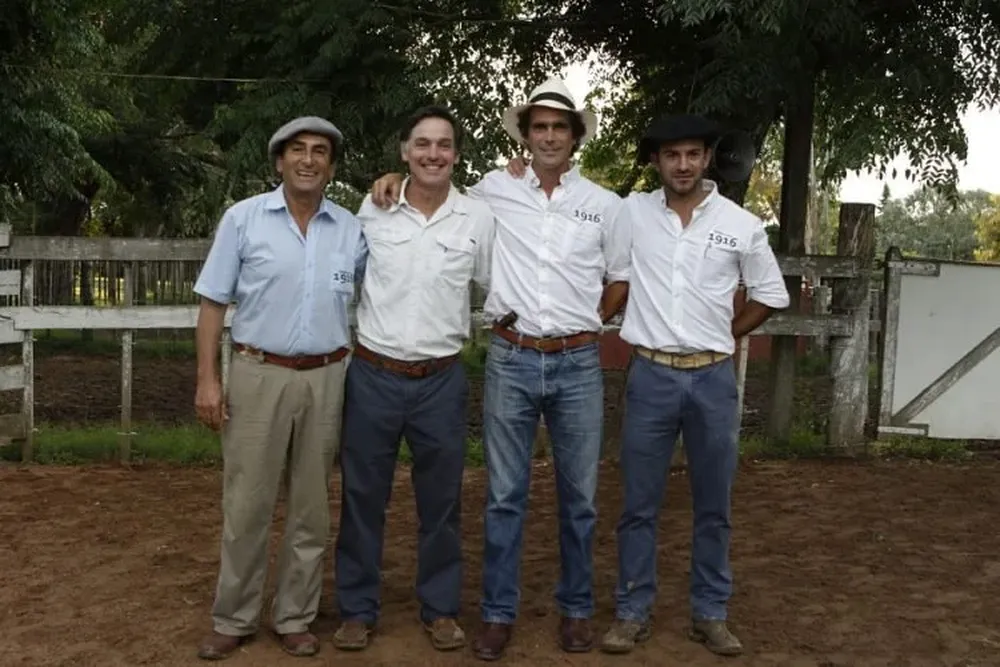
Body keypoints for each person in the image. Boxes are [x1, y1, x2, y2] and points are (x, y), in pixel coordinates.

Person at [370, 75, 631, 660]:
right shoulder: (491, 189)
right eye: (538, 126)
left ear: (576, 136)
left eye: (559, 127)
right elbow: (433, 191)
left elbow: (620, 277)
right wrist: (389, 181)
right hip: (511, 358)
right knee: (504, 494)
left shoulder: (604, 207)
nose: (548, 136)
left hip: (578, 362)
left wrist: (588, 320)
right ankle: (497, 612)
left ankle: (577, 609)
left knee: (580, 496)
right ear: (525, 134)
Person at [597, 114, 790, 657]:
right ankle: (632, 611)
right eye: (671, 155)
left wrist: (725, 334)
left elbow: (771, 295)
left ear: (707, 159)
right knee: (638, 502)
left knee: (714, 503)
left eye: (692, 154)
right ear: (657, 161)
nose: (682, 165)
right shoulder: (631, 213)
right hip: (651, 375)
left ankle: (710, 611)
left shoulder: (741, 224)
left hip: (712, 380)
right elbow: (569, 204)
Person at [193, 116, 367, 661]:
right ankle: (234, 616)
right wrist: (207, 379)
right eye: (298, 150)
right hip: (257, 372)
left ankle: (295, 615)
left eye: (320, 151)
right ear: (279, 161)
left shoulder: (352, 229)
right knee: (246, 503)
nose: (309, 159)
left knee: (312, 507)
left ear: (332, 166)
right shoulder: (244, 220)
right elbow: (212, 304)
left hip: (327, 375)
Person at [331, 105, 494, 653]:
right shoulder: (372, 210)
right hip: (374, 375)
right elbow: (345, 280)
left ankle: (441, 608)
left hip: (441, 380)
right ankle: (356, 609)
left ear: (456, 154)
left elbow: (496, 289)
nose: (432, 154)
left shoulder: (477, 219)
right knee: (361, 497)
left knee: (442, 501)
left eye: (443, 145)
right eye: (421, 144)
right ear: (404, 151)